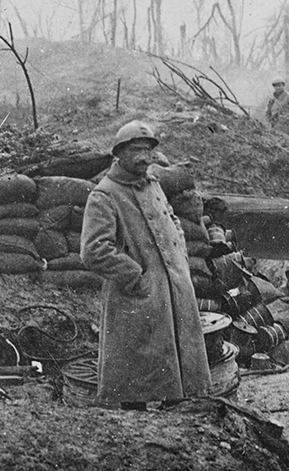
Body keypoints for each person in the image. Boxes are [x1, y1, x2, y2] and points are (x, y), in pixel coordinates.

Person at [81, 120, 210, 407]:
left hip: (172, 289)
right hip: (137, 296)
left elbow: (172, 218)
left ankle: (176, 411)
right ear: (119, 154)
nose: (143, 157)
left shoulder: (153, 183)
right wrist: (136, 277)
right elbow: (93, 250)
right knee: (135, 375)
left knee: (176, 369)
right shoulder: (105, 194)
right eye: (135, 150)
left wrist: (182, 260)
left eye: (147, 150)